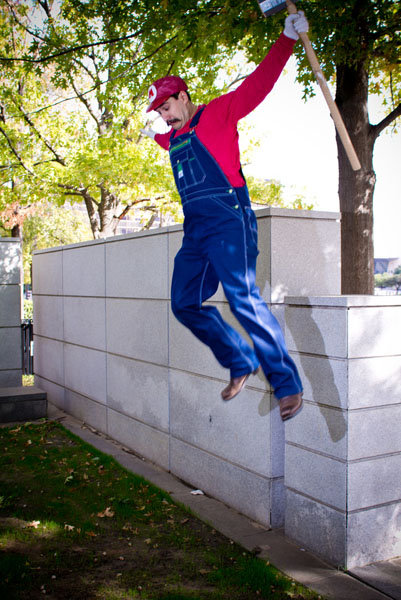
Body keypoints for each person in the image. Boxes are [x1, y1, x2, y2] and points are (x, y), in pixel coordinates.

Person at [141, 11, 308, 421]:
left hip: (230, 221)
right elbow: (170, 141)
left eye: (168, 107)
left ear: (183, 96)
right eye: (159, 113)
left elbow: (258, 84)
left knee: (242, 299)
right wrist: (157, 136)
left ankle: (286, 385)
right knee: (183, 302)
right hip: (197, 230)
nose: (165, 116)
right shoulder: (174, 138)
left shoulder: (219, 113)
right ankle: (239, 360)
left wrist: (286, 40)